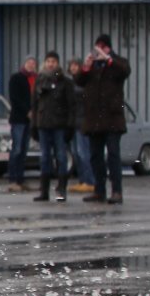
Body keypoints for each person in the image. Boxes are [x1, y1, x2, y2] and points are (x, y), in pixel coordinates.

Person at [74, 34, 132, 205]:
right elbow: (78, 80)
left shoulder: (117, 63)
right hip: (94, 120)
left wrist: (108, 59)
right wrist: (86, 66)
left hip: (113, 119)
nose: (99, 51)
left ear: (108, 48)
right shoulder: (92, 67)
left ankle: (117, 191)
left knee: (113, 155)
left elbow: (125, 71)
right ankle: (99, 190)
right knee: (95, 156)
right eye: (97, 47)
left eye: (102, 47)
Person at [29, 51, 73, 203]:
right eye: (48, 61)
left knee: (61, 157)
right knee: (44, 158)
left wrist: (70, 126)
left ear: (58, 63)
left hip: (59, 125)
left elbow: (71, 105)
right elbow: (34, 104)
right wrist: (34, 125)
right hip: (43, 125)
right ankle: (44, 191)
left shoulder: (65, 82)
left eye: (53, 61)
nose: (50, 64)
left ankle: (61, 190)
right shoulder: (39, 80)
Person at [5, 54, 38, 193]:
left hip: (29, 120)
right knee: (17, 149)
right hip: (18, 119)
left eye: (33, 63)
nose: (31, 65)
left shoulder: (35, 79)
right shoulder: (16, 78)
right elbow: (15, 98)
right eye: (29, 62)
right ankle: (13, 179)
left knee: (24, 151)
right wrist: (27, 111)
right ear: (24, 64)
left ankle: (20, 179)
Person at [66, 58, 94, 194]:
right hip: (74, 122)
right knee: (76, 153)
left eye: (76, 65)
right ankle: (82, 180)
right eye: (71, 65)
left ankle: (90, 181)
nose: (73, 67)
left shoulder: (84, 83)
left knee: (84, 153)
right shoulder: (70, 82)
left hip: (83, 122)